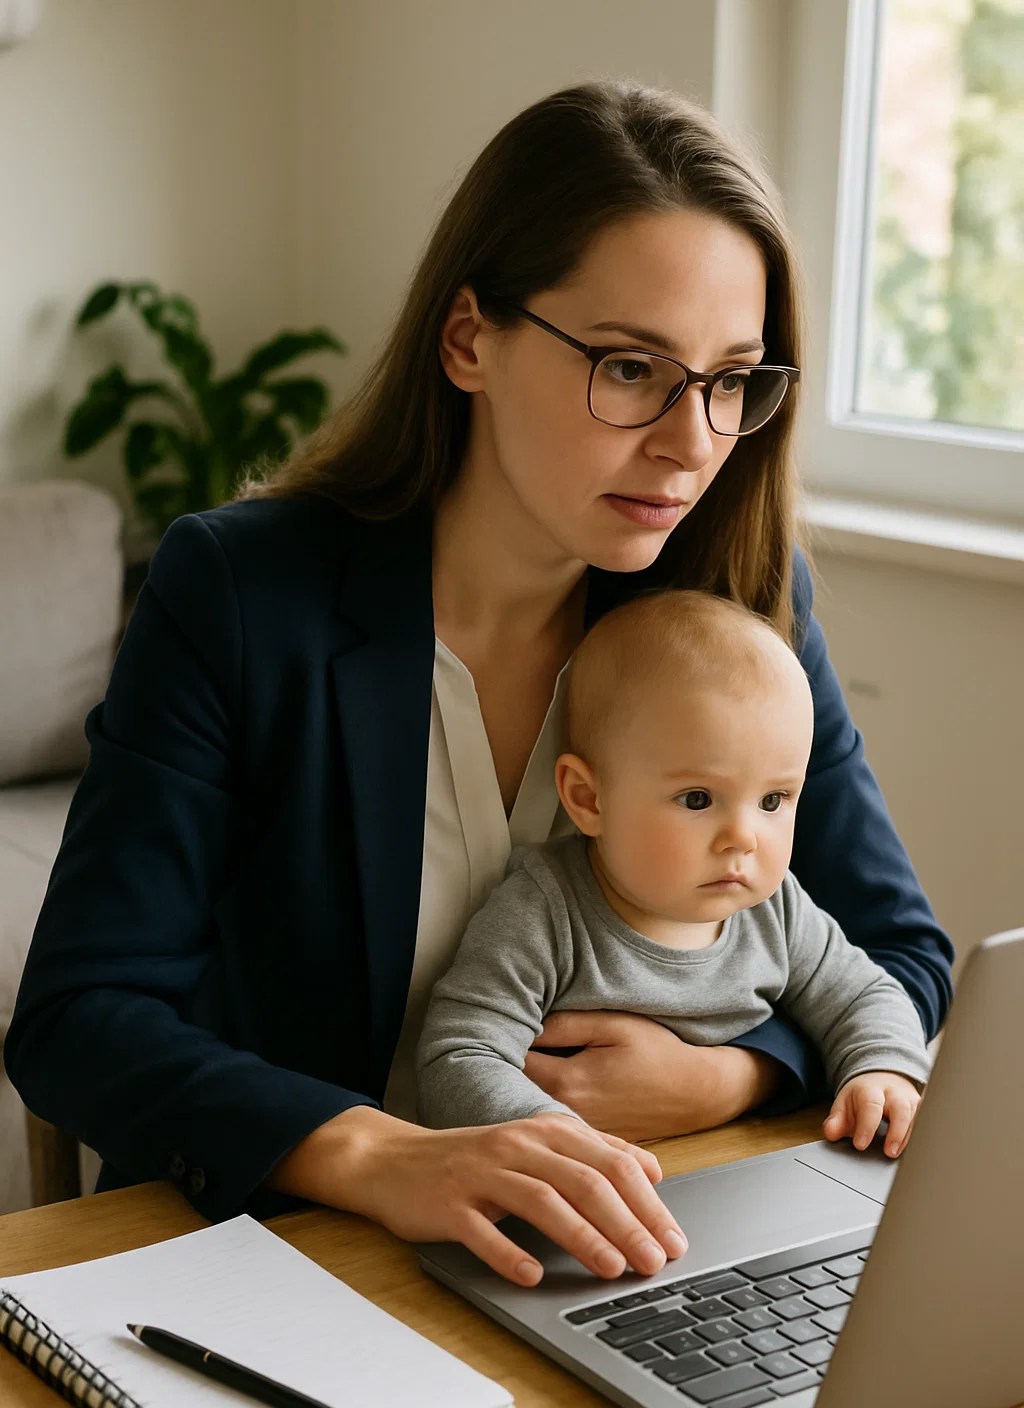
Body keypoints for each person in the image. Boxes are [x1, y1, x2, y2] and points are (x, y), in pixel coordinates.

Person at [5, 82, 952, 1290]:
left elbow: (902, 958)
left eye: (730, 380)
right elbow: (81, 1019)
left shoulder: (739, 603)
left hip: (633, 1251)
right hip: (292, 1265)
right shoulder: (240, 594)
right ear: (468, 340)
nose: (690, 442)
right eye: (629, 367)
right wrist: (379, 1155)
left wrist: (732, 1074)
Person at [417, 590, 930, 1156]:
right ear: (588, 799)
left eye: (773, 800)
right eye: (697, 799)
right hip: (581, 1189)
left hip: (740, 1170)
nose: (743, 836)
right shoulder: (545, 912)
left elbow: (865, 996)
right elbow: (459, 1051)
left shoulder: (776, 911)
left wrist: (881, 1069)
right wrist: (544, 1128)